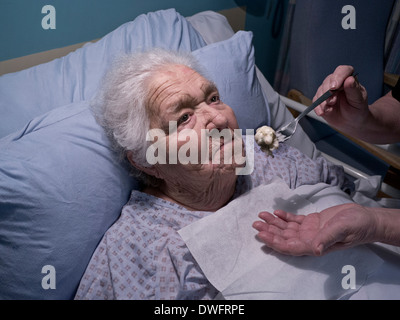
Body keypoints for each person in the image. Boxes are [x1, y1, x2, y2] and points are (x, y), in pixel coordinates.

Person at [74, 49, 347, 299]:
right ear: (147, 162)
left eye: (213, 99)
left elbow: (340, 191)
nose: (218, 119)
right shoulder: (138, 250)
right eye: (183, 118)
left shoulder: (266, 154)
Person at [253, 65, 400, 256]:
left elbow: (329, 174)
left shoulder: (294, 162)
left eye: (214, 99)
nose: (213, 117)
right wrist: (362, 119)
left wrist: (381, 223)